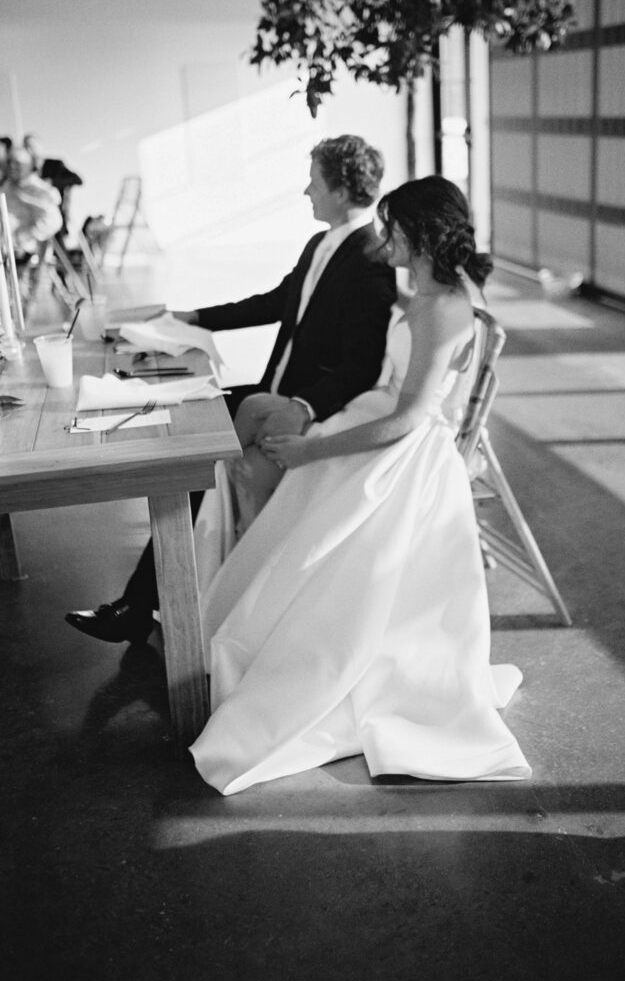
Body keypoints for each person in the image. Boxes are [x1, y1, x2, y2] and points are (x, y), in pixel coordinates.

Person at [190, 175, 531, 796]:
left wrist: (316, 446)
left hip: (415, 455)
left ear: (422, 235)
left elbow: (410, 419)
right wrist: (325, 424)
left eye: (390, 227)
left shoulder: (448, 307)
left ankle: (304, 649)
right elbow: (387, 391)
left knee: (320, 497)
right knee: (298, 481)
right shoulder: (417, 294)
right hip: (385, 422)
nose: (382, 238)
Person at [65, 134, 397, 645]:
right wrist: (192, 317)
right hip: (274, 388)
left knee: (190, 448)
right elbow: (277, 301)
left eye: (314, 180)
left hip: (296, 403)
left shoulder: (370, 258)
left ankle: (143, 603)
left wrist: (304, 407)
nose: (306, 190)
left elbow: (363, 365)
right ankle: (159, 596)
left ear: (339, 187)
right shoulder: (323, 243)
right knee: (185, 417)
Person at [1, 145, 62, 259]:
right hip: (4, 253)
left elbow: (53, 222)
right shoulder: (5, 188)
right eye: (9, 162)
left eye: (17, 163)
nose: (12, 166)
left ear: (28, 165)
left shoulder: (42, 191)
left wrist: (22, 237)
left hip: (29, 257)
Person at [23, 133, 83, 242]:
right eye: (26, 147)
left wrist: (51, 183)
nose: (30, 151)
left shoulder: (54, 165)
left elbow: (77, 179)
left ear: (40, 147)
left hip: (56, 216)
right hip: (35, 222)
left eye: (32, 147)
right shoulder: (27, 173)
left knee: (59, 250)